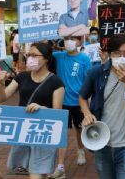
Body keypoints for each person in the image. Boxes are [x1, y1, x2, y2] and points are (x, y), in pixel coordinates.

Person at [79, 34, 125, 179]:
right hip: (101, 142)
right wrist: (87, 114)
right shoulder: (96, 72)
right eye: (117, 53)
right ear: (110, 54)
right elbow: (82, 97)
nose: (121, 57)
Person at [0, 42, 65, 179]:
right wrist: (1, 83)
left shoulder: (56, 82)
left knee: (36, 175)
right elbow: (1, 98)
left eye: (34, 55)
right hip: (23, 131)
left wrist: (43, 109)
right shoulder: (22, 77)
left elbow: (58, 114)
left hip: (43, 133)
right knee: (29, 171)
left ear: (46, 58)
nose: (30, 58)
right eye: (29, 55)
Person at [49, 36, 91, 179]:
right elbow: (44, 54)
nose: (69, 41)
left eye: (73, 38)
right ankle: (60, 166)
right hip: (62, 102)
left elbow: (88, 80)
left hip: (79, 101)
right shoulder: (59, 56)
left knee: (79, 129)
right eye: (67, 38)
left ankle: (80, 150)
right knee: (62, 132)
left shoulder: (84, 59)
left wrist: (86, 100)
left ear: (79, 41)